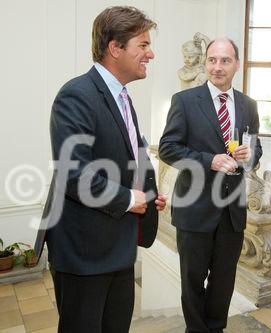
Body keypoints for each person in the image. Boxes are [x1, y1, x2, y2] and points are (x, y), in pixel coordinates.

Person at [34, 6, 166, 333]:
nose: (151, 53)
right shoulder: (76, 95)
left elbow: (123, 160)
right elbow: (73, 173)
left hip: (117, 245)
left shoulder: (121, 96)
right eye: (143, 45)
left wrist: (146, 195)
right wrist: (127, 199)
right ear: (115, 48)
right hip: (85, 251)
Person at [159, 38, 262, 333]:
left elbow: (256, 150)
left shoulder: (248, 105)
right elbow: (168, 148)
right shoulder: (185, 101)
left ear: (237, 65)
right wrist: (209, 160)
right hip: (195, 207)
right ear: (205, 63)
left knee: (224, 279)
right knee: (192, 280)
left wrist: (249, 156)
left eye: (225, 60)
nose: (218, 67)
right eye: (212, 60)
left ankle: (216, 328)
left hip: (232, 210)